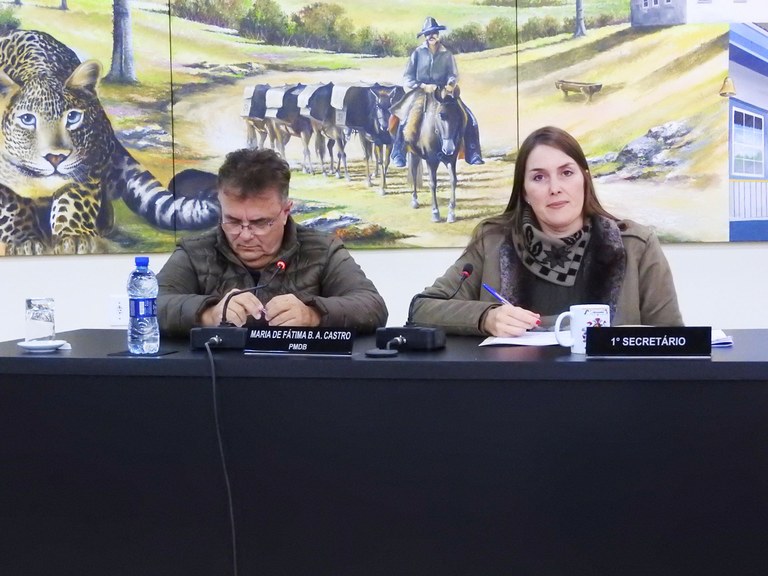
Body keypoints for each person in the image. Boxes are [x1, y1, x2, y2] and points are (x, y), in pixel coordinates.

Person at [409, 126, 683, 336]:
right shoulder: (492, 240)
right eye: (539, 177)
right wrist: (485, 317)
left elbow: (675, 342)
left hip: (611, 390)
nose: (555, 188)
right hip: (515, 388)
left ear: (585, 179)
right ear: (525, 192)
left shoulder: (636, 245)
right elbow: (421, 309)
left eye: (566, 173)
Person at [157, 148, 388, 338]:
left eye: (259, 223)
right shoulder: (195, 251)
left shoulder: (322, 250)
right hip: (214, 376)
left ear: (286, 211)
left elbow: (372, 306)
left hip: (299, 375)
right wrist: (208, 314)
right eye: (232, 221)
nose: (245, 235)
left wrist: (312, 315)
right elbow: (149, 305)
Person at [390, 16, 484, 167]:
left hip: (443, 92)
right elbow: (407, 78)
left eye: (434, 32)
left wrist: (451, 83)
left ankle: (473, 152)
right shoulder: (417, 53)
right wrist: (423, 86)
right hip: (421, 92)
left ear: (438, 34)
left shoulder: (447, 54)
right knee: (406, 117)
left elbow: (453, 74)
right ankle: (398, 152)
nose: (431, 36)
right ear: (425, 36)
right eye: (428, 33)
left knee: (468, 116)